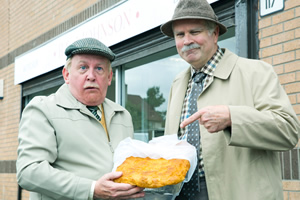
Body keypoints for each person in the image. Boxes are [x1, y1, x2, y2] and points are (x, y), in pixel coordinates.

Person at [160, 0, 300, 200]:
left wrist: (232, 118)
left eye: (195, 32)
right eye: (180, 35)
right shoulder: (177, 83)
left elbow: (289, 131)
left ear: (215, 33)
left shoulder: (256, 72)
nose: (186, 40)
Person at [16, 38, 145, 200]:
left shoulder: (123, 115)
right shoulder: (43, 109)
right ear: (67, 75)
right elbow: (28, 171)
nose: (91, 76)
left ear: (110, 77)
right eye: (83, 67)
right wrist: (91, 189)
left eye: (99, 69)